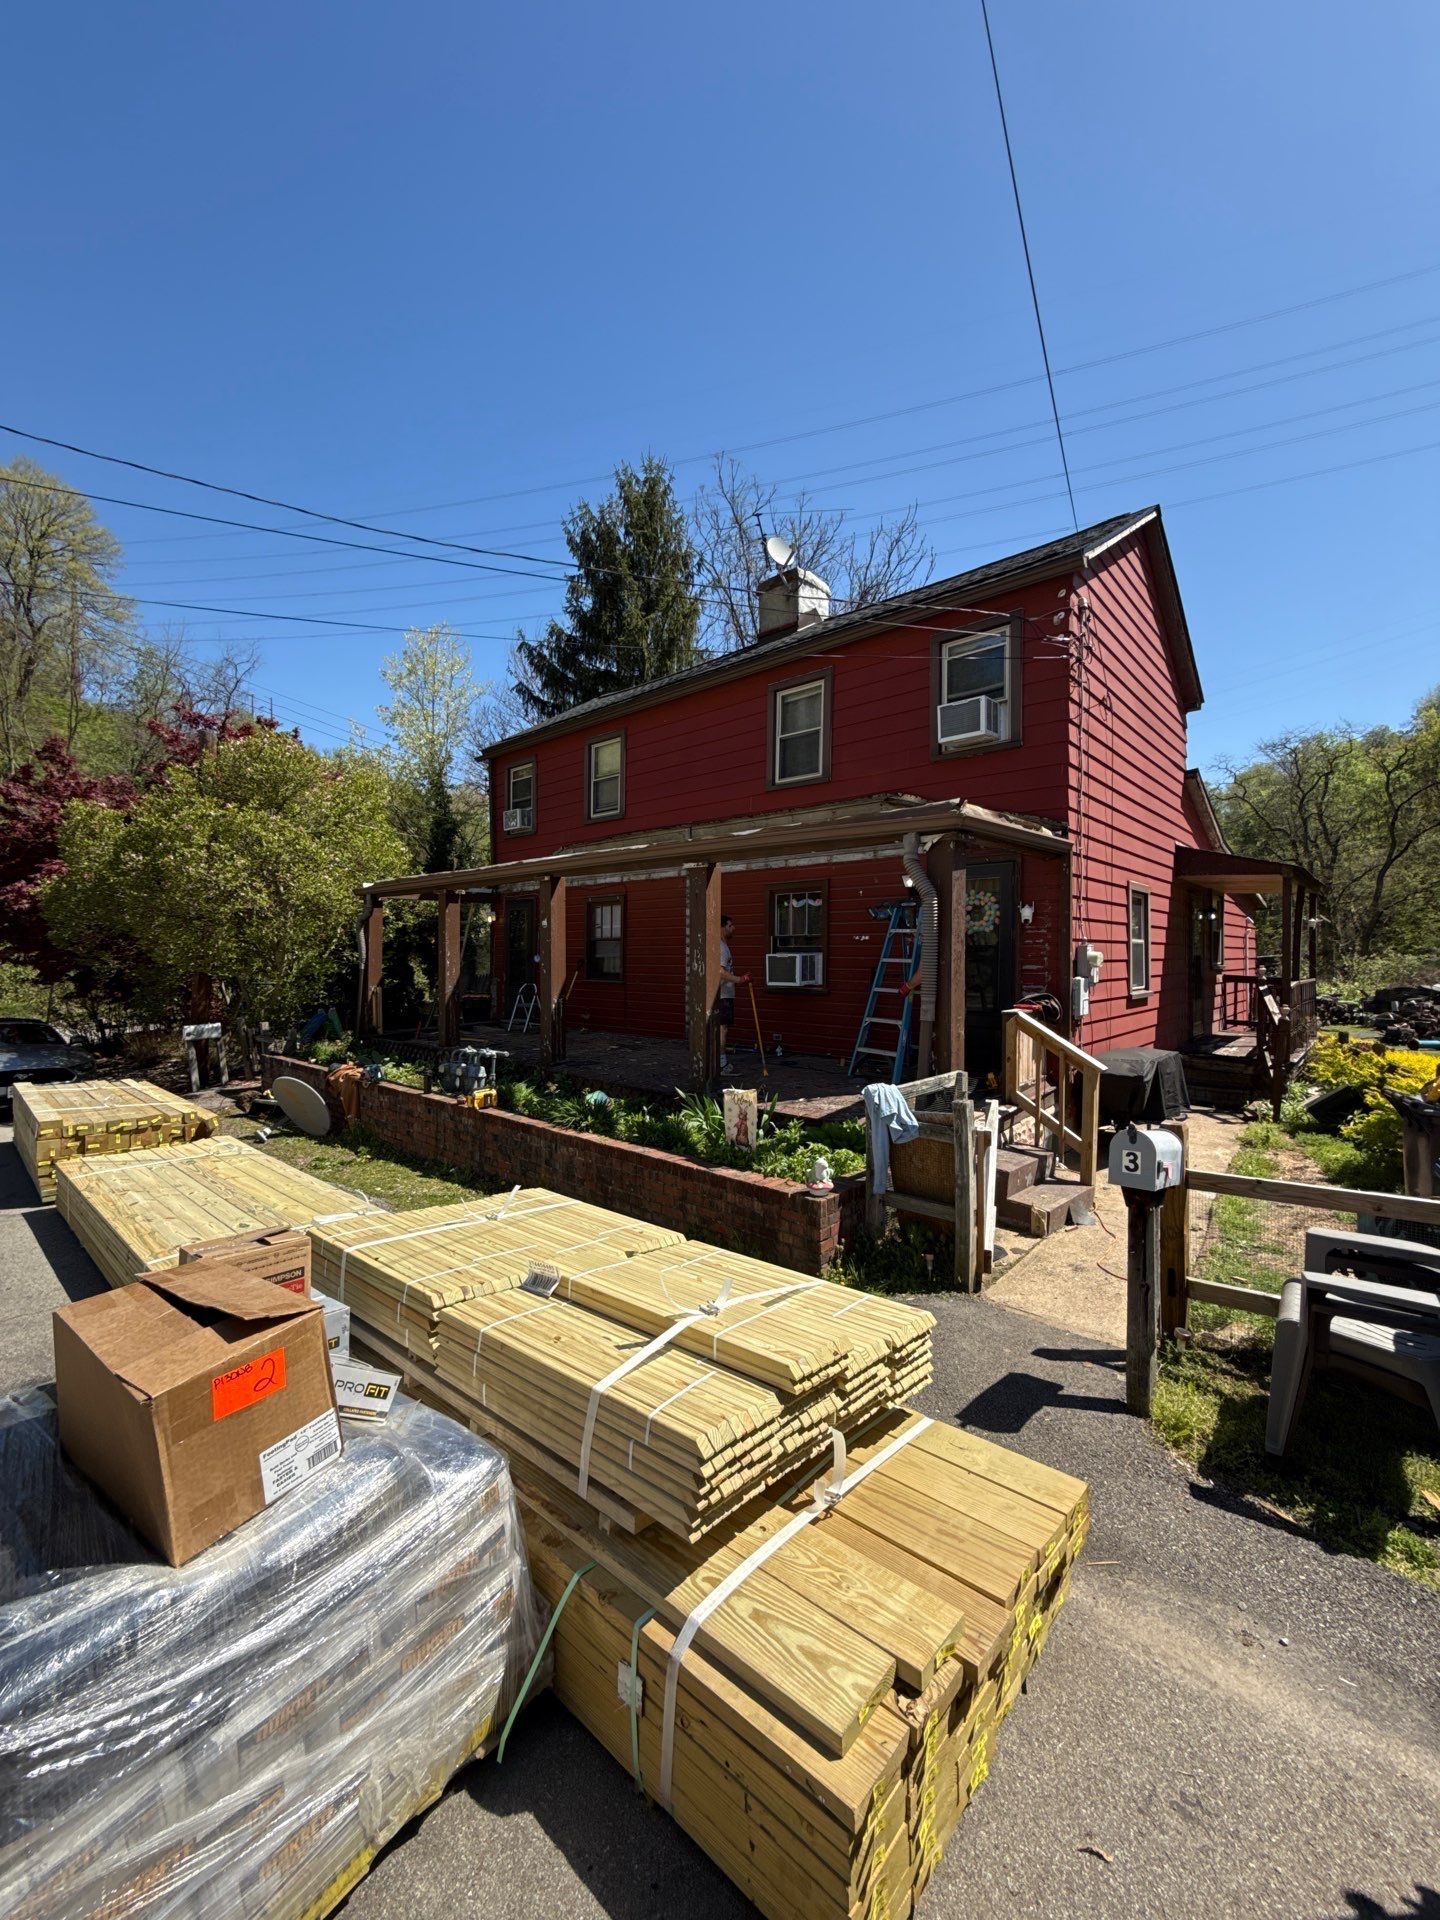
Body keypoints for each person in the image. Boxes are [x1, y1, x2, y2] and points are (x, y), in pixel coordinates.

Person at [717, 913, 749, 1073]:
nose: (733, 928)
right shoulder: (721, 947)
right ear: (722, 927)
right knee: (722, 1029)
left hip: (726, 993)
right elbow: (720, 972)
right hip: (721, 994)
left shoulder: (723, 945)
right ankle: (721, 1064)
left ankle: (719, 1061)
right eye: (730, 925)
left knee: (723, 1028)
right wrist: (740, 979)